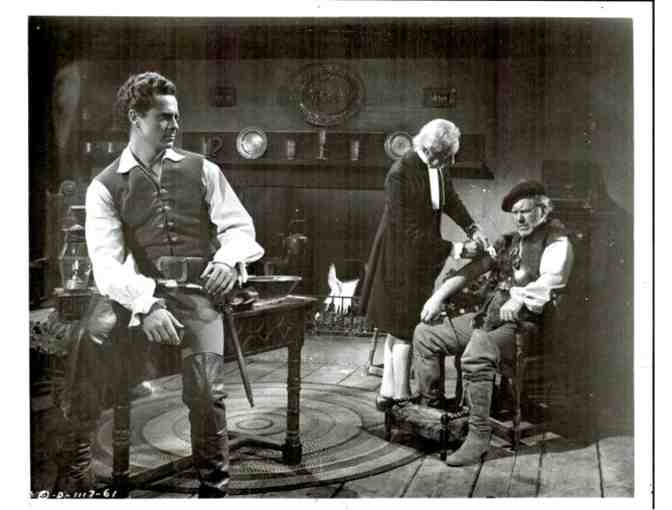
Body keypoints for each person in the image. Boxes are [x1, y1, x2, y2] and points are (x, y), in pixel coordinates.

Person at [55, 72, 264, 498]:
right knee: (88, 340)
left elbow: (241, 228)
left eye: (176, 117)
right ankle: (76, 469)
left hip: (198, 295)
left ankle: (214, 490)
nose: (174, 125)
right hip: (137, 290)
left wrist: (227, 259)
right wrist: (146, 305)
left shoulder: (203, 169)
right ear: (136, 117)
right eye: (164, 117)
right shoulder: (105, 186)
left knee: (206, 391)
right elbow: (107, 264)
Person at [412, 180, 574, 466]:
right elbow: (473, 269)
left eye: (526, 211)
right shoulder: (508, 242)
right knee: (426, 334)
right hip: (491, 318)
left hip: (529, 325)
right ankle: (433, 416)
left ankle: (478, 436)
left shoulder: (557, 241)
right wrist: (438, 297)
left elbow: (552, 279)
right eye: (515, 213)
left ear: (543, 210)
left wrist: (519, 299)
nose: (520, 218)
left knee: (477, 352)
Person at [359, 119, 488, 412]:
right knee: (405, 328)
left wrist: (472, 228)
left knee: (401, 327)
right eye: (446, 156)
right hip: (398, 259)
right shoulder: (399, 174)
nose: (450, 162)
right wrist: (456, 249)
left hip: (420, 257)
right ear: (430, 150)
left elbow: (450, 200)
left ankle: (387, 393)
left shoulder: (437, 166)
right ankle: (402, 398)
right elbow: (407, 232)